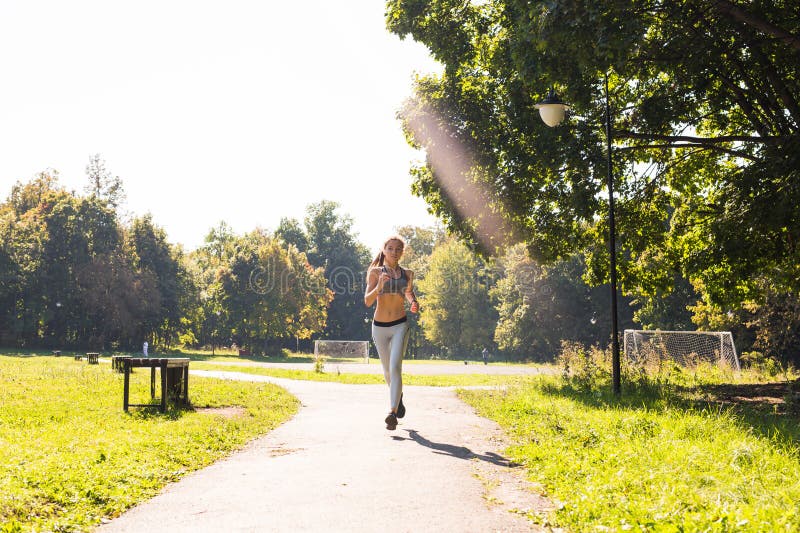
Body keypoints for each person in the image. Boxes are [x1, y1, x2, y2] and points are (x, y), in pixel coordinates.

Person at [364, 236, 419, 430]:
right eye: (390, 248)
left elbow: (407, 293)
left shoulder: (408, 273)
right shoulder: (375, 272)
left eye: (398, 249)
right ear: (384, 250)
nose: (394, 252)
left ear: (402, 252)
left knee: (395, 367)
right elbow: (367, 301)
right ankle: (399, 396)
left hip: (399, 325)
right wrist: (379, 286)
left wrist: (413, 302)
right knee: (387, 371)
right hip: (379, 327)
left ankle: (392, 413)